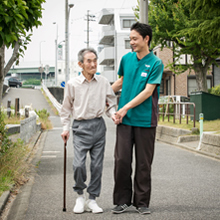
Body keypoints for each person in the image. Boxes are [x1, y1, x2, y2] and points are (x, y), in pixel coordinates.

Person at [111, 22, 164, 215]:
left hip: (145, 120)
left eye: (134, 38)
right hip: (124, 120)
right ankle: (122, 201)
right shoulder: (126, 59)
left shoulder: (156, 63)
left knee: (143, 163)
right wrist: (100, 93)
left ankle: (142, 202)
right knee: (122, 161)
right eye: (130, 38)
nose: (131, 42)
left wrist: (124, 107)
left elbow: (148, 91)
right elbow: (121, 81)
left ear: (146, 39)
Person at [60, 48, 118, 214]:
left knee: (97, 166)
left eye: (95, 60)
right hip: (80, 127)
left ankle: (92, 198)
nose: (93, 64)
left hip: (99, 126)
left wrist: (113, 115)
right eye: (89, 61)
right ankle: (80, 196)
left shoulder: (103, 82)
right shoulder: (72, 84)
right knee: (78, 165)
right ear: (81, 64)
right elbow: (66, 109)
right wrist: (65, 128)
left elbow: (110, 103)